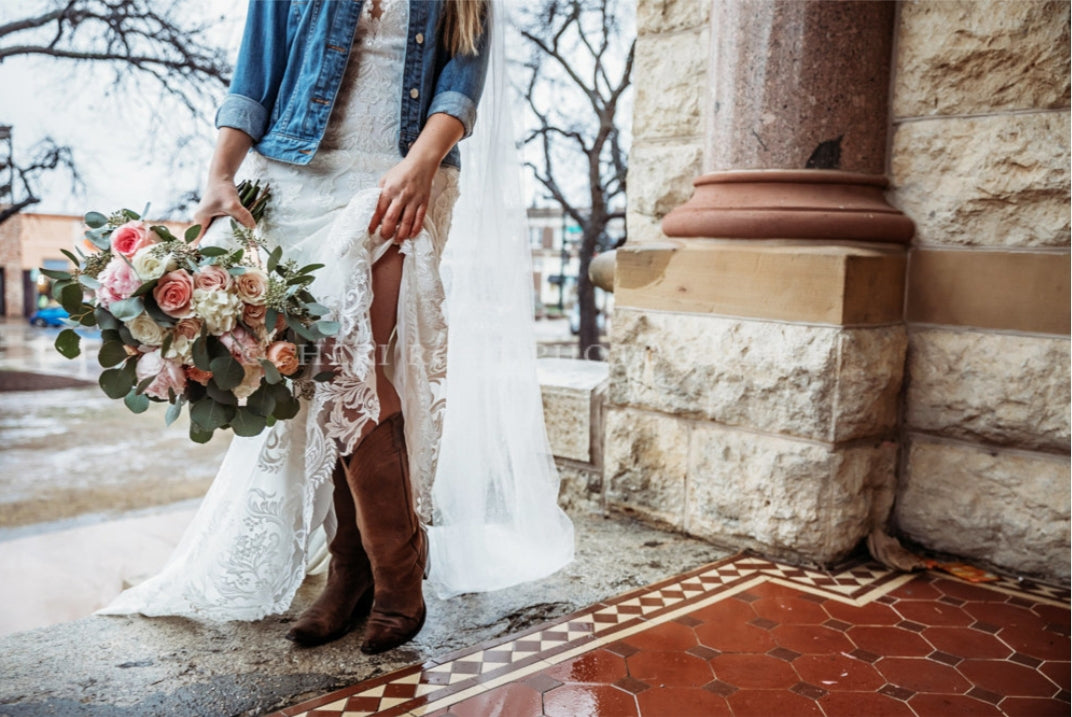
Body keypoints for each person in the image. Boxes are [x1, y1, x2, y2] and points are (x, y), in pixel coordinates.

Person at [99, 0, 575, 655]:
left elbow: (460, 83)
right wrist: (218, 175)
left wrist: (422, 162)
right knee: (315, 372)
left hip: (396, 178)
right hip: (291, 178)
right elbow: (254, 76)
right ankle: (351, 571)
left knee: (355, 364)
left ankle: (398, 574)